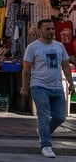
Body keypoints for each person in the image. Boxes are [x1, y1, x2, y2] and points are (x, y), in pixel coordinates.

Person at [21, 19, 76, 158]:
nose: (51, 31)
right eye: (48, 29)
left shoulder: (59, 46)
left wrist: (71, 83)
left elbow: (65, 66)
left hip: (57, 86)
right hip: (39, 86)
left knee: (60, 117)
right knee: (44, 116)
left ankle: (43, 132)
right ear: (40, 31)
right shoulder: (33, 47)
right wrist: (25, 87)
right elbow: (26, 69)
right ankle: (46, 145)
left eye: (52, 29)